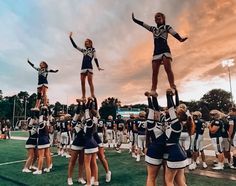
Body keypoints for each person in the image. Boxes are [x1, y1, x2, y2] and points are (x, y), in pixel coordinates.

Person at [132, 12, 187, 95]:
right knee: (154, 72)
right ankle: (153, 90)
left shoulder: (167, 27)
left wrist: (180, 39)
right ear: (155, 20)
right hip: (156, 52)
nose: (157, 18)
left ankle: (172, 87)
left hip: (165, 51)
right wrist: (134, 20)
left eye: (159, 16)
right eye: (155, 17)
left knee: (168, 69)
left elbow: (173, 32)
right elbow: (143, 24)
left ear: (163, 18)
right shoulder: (153, 29)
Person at [69, 32, 103, 100]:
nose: (86, 43)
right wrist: (70, 38)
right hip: (83, 67)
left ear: (90, 43)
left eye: (87, 41)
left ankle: (92, 95)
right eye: (85, 42)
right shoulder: (84, 50)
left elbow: (95, 58)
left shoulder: (93, 50)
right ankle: (83, 97)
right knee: (82, 83)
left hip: (89, 67)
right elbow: (75, 46)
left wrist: (98, 66)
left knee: (90, 82)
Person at [67, 100, 86, 186]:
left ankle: (80, 177)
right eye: (80, 114)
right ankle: (69, 177)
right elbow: (77, 112)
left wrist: (84, 103)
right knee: (72, 161)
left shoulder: (85, 121)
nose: (81, 114)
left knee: (81, 162)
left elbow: (86, 111)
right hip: (76, 143)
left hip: (84, 143)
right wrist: (79, 104)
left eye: (82, 113)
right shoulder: (74, 121)